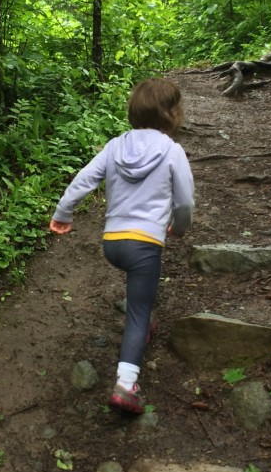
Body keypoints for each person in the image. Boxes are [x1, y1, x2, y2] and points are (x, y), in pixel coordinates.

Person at [49, 77, 195, 414]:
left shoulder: (115, 146)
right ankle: (126, 385)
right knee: (139, 311)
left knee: (138, 300)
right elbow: (185, 202)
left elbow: (84, 179)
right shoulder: (172, 151)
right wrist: (181, 227)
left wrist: (63, 214)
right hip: (144, 245)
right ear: (173, 114)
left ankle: (142, 324)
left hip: (113, 243)